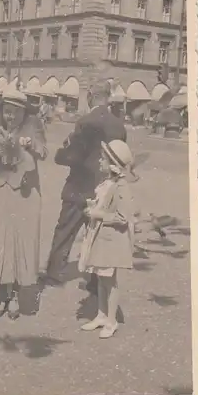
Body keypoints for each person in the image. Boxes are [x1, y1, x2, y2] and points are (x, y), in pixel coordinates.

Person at [43, 78, 127, 286]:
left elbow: (74, 155)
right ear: (108, 98)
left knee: (66, 230)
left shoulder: (86, 121)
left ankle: (55, 273)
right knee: (98, 234)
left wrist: (61, 152)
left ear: (91, 95)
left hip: (80, 185)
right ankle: (97, 281)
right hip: (105, 188)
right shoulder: (118, 125)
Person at [0, 82, 48, 320]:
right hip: (1, 190)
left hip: (25, 194)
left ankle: (17, 295)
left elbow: (44, 151)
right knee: (1, 241)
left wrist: (31, 146)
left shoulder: (34, 126)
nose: (10, 115)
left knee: (22, 241)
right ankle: (2, 294)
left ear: (23, 112)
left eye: (15, 111)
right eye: (7, 110)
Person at [79, 139, 136, 338]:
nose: (99, 162)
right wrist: (94, 207)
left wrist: (97, 214)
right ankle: (102, 314)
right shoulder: (108, 183)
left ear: (113, 164)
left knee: (109, 282)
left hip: (112, 241)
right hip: (102, 239)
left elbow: (123, 218)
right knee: (100, 279)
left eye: (103, 159)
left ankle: (112, 320)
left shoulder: (121, 187)